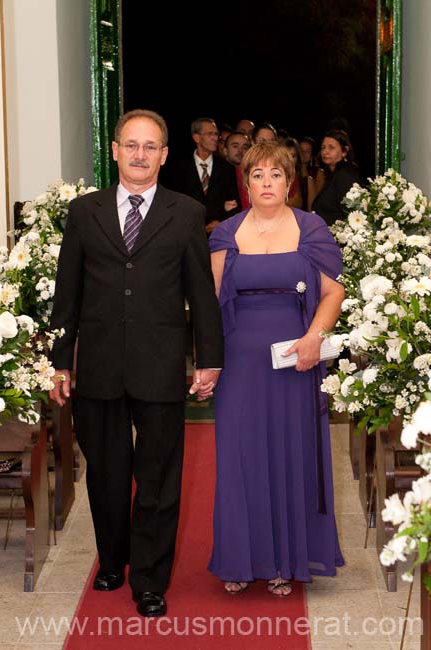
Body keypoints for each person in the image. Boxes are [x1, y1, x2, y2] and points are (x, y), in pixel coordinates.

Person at [49, 109, 224, 618]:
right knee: (105, 474)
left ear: (165, 155)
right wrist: (61, 362)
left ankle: (149, 578)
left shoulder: (186, 212)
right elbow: (68, 295)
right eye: (131, 145)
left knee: (158, 477)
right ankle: (112, 559)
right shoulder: (85, 212)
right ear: (115, 150)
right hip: (99, 367)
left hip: (160, 364)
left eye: (150, 146)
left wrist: (208, 359)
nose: (140, 154)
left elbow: (201, 294)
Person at [208, 142, 345, 596]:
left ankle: (286, 559)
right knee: (240, 457)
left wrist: (314, 338)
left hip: (296, 359)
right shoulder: (225, 235)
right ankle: (241, 560)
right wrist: (206, 364)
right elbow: (208, 306)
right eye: (258, 175)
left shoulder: (312, 230)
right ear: (245, 183)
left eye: (276, 174)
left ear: (290, 182)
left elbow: (333, 294)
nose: (267, 183)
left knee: (291, 454)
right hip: (239, 364)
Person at [162, 117, 239, 234]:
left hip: (217, 234)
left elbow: (234, 205)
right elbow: (171, 204)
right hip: (186, 234)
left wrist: (221, 222)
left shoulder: (226, 168)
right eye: (210, 134)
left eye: (216, 134)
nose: (215, 138)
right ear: (196, 137)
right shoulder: (178, 169)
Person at [312, 129, 361, 226]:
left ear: (344, 151)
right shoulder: (332, 175)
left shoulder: (345, 176)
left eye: (331, 148)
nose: (325, 152)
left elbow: (352, 213)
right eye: (323, 147)